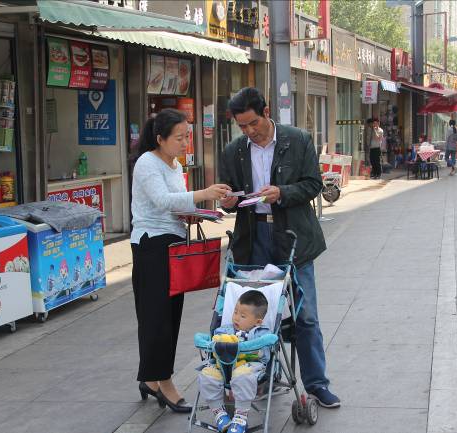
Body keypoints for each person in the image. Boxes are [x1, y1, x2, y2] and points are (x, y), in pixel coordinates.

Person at [219, 87, 340, 408]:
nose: (249, 131)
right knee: (255, 316)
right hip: (253, 237)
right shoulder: (234, 151)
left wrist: (282, 193)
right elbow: (231, 195)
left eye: (253, 123)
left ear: (266, 112)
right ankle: (262, 377)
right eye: (242, 126)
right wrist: (228, 200)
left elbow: (313, 184)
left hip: (292, 236)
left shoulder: (297, 140)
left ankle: (317, 384)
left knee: (306, 314)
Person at [131, 108, 231, 413]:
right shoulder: (147, 163)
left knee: (171, 316)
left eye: (187, 136)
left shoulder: (175, 165)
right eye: (179, 137)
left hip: (173, 242)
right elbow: (162, 201)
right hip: (151, 245)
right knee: (157, 318)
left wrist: (195, 213)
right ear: (160, 138)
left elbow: (174, 205)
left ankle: (151, 379)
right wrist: (203, 194)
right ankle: (164, 383)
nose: (185, 143)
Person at [198, 290, 271, 433]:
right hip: (222, 365)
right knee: (207, 374)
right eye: (235, 312)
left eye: (243, 316)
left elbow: (264, 353)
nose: (236, 317)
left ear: (258, 322)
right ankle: (219, 413)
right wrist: (215, 342)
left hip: (249, 366)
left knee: (243, 375)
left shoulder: (261, 333)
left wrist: (248, 347)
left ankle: (240, 418)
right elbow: (215, 340)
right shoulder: (225, 329)